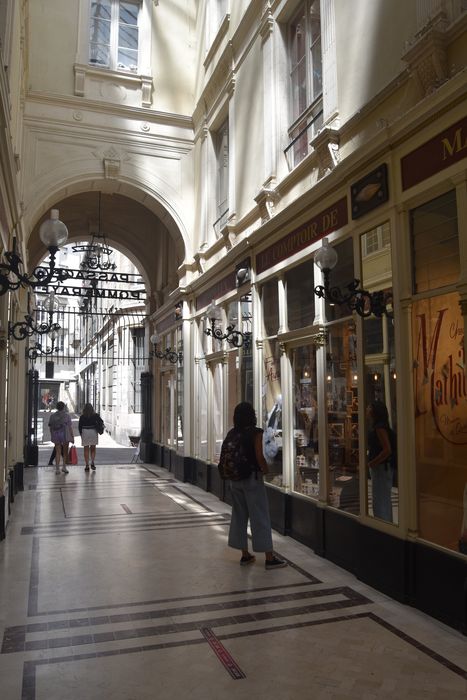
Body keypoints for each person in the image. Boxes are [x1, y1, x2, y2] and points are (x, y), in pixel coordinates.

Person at [226, 401, 287, 569]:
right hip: (252, 479)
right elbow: (260, 457)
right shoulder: (256, 433)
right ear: (252, 415)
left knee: (239, 516)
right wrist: (266, 470)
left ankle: (245, 555)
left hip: (234, 480)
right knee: (259, 516)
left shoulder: (232, 433)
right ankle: (269, 557)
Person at [367, 400, 394, 523]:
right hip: (384, 468)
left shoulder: (379, 428)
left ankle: (384, 527)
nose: (367, 409)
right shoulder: (382, 426)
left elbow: (387, 450)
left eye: (369, 407)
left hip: (381, 468)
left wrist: (372, 463)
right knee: (384, 500)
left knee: (380, 501)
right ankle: (387, 526)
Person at [48, 401, 74, 475]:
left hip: (56, 434)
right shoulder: (67, 416)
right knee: (65, 452)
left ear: (57, 407)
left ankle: (57, 469)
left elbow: (50, 427)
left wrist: (52, 434)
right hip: (64, 434)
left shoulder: (52, 416)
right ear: (63, 407)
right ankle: (64, 467)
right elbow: (70, 427)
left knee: (58, 452)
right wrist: (72, 436)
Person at [78, 403, 102, 472]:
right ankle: (92, 462)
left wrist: (81, 435)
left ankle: (87, 465)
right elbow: (101, 422)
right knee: (93, 448)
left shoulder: (82, 417)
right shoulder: (95, 416)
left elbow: (80, 427)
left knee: (86, 449)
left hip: (85, 431)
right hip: (93, 432)